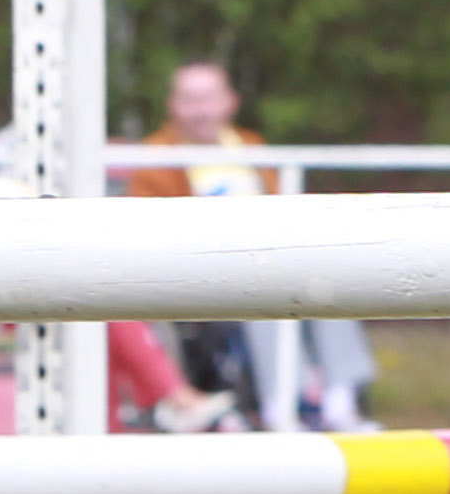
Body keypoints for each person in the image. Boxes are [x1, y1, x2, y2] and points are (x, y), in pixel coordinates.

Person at [128, 60, 378, 429]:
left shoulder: (251, 147)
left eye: (209, 98)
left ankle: (340, 398)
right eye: (190, 100)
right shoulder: (155, 158)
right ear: (173, 105)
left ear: (230, 102)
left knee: (328, 276)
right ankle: (282, 404)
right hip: (205, 269)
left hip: (271, 255)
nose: (201, 111)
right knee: (263, 289)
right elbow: (149, 230)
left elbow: (284, 206)